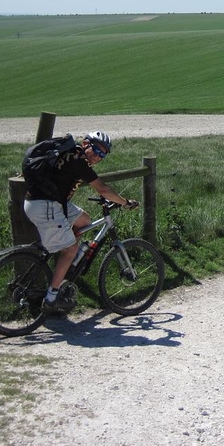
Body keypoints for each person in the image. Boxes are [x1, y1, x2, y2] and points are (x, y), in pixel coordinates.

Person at [22, 130, 137, 313]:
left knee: (84, 220)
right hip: (45, 206)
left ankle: (70, 262)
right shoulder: (77, 160)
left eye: (103, 155)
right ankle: (51, 298)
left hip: (51, 203)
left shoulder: (70, 154)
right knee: (70, 250)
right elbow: (103, 189)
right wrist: (125, 202)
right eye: (96, 151)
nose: (98, 157)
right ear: (85, 144)